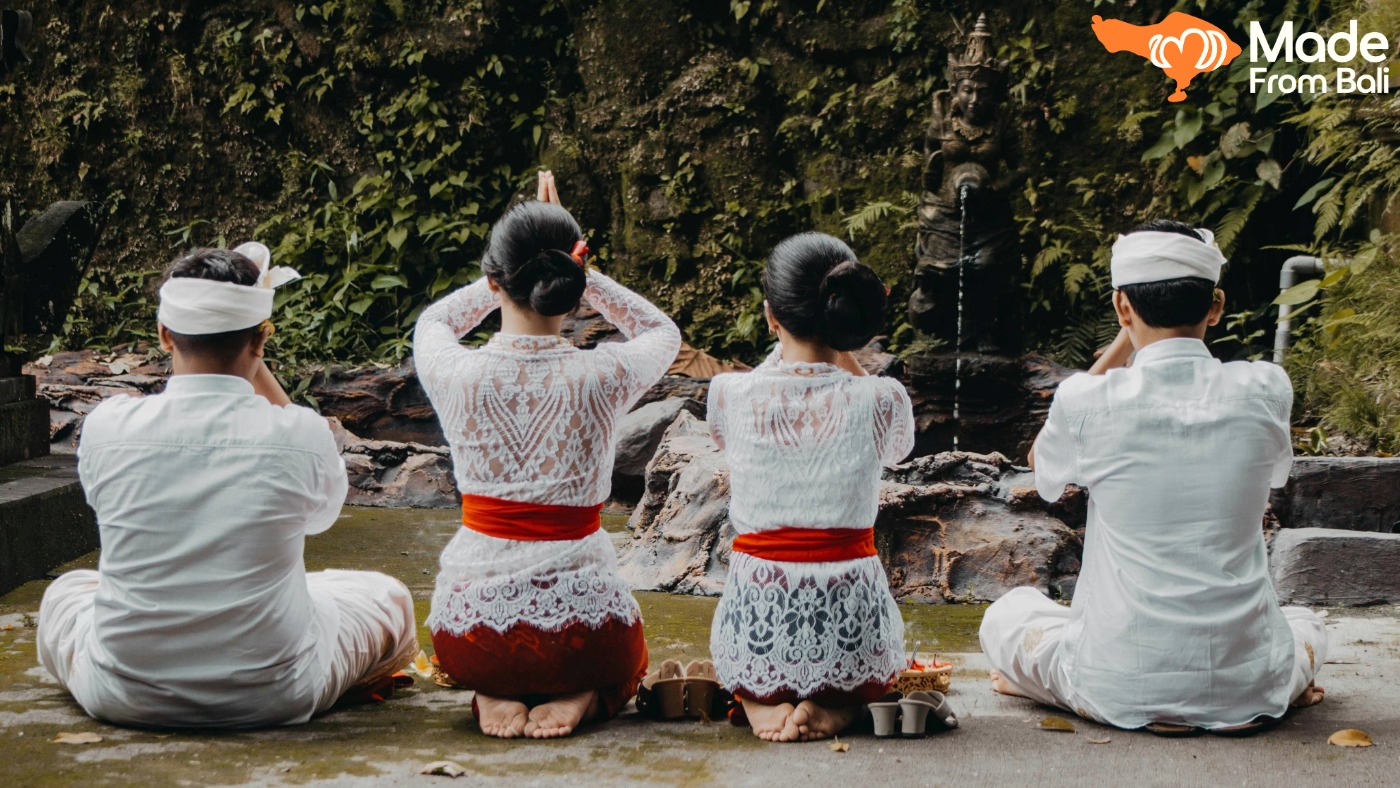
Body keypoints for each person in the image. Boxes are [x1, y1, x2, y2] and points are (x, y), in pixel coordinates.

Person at [37, 244, 419, 729]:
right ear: (261, 342)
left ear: (164, 334)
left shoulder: (108, 425)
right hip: (276, 696)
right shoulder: (300, 434)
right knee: (388, 596)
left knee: (68, 591)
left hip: (121, 691)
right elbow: (320, 518)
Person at [978, 220, 1327, 734]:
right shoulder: (1266, 388)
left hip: (1117, 679)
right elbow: (1277, 475)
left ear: (1122, 307)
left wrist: (1123, 343)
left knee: (1008, 615)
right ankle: (1262, 692)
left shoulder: (1087, 401)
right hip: (1247, 684)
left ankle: (1048, 686)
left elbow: (1042, 469)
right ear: (1216, 305)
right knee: (1307, 624)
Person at [415, 172, 681, 739]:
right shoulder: (602, 373)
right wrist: (580, 270)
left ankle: (493, 688)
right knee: (619, 659)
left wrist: (515, 269)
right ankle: (581, 691)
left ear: (493, 282)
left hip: (470, 638)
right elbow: (660, 329)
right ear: (572, 282)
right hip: (583, 640)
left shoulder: (457, 372)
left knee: (490, 653)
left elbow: (434, 321)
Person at [707, 232, 916, 742]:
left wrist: (787, 342)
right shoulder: (881, 398)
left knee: (752, 651)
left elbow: (744, 409)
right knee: (870, 673)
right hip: (853, 637)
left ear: (770, 316)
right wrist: (844, 352)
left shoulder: (730, 392)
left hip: (755, 630)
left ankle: (760, 696)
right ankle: (842, 703)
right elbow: (899, 449)